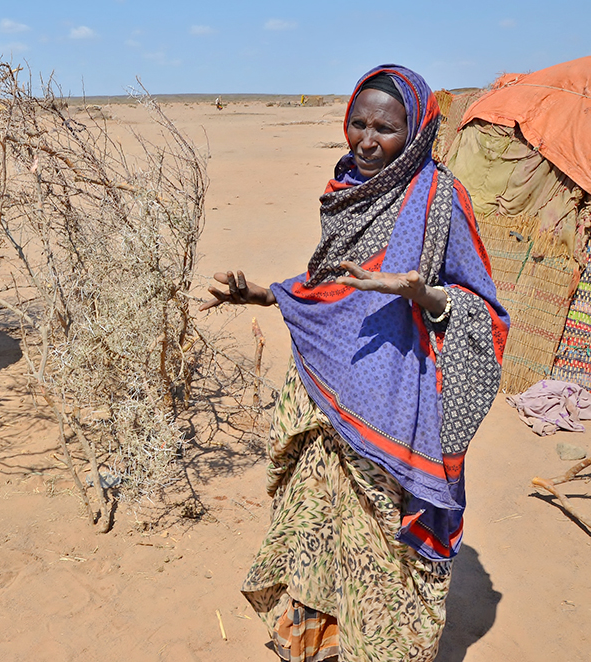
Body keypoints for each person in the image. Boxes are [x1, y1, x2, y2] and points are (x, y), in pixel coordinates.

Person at [201, 65, 509, 662]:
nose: (367, 140)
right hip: (326, 392)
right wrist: (263, 294)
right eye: (358, 124)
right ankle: (318, 646)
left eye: (385, 129)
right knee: (319, 522)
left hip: (397, 406)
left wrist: (418, 293)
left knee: (381, 542)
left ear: (415, 132)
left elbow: (485, 311)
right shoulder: (348, 189)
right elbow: (331, 286)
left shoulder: (441, 199)